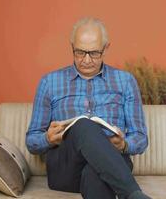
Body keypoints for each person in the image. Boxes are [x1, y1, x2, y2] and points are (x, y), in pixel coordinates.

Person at [26, 17, 151, 199]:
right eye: (79, 52)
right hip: (66, 169)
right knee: (83, 124)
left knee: (96, 174)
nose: (86, 60)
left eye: (94, 53)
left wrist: (124, 144)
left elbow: (140, 137)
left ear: (106, 48)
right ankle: (133, 194)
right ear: (72, 47)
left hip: (111, 165)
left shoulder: (125, 81)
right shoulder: (49, 82)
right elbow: (31, 141)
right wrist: (48, 138)